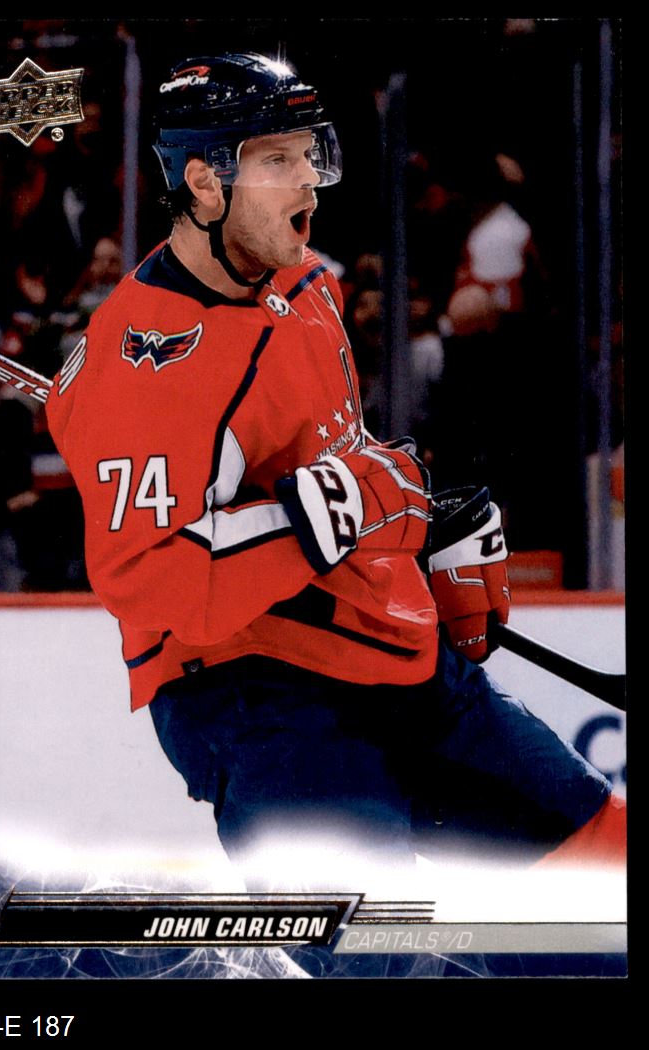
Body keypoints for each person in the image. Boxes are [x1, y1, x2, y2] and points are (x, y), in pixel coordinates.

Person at [45, 53, 624, 890]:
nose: (307, 179)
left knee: (601, 867)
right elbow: (153, 577)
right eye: (277, 159)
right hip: (260, 696)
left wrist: (417, 526)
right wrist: (333, 512)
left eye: (308, 153)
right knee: (378, 943)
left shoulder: (308, 284)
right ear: (204, 183)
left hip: (388, 652)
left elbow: (332, 456)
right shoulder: (146, 366)